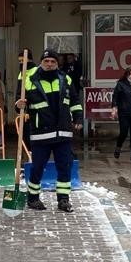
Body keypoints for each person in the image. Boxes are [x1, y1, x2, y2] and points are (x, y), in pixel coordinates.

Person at [14, 48, 83, 212]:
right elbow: (19, 104)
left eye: (53, 61)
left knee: (64, 167)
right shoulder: (29, 79)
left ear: (57, 64)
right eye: (46, 61)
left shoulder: (65, 78)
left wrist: (78, 117)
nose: (50, 64)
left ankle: (64, 200)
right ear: (41, 62)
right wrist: (19, 105)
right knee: (37, 167)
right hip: (40, 133)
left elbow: (74, 100)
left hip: (63, 132)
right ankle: (32, 198)